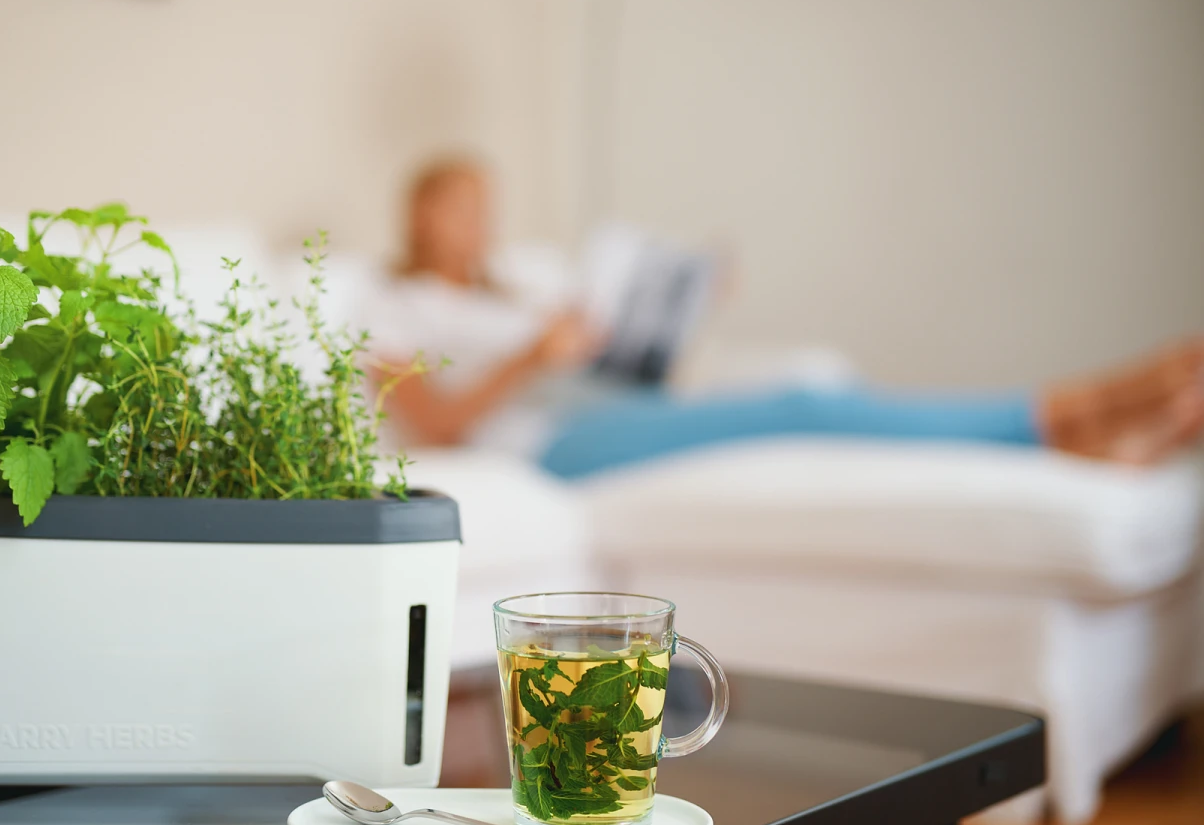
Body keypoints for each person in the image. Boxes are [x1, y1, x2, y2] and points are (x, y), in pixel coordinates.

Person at [367, 157, 1204, 479]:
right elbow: (436, 427)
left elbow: (612, 354)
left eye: (485, 203)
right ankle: (1078, 414)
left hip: (619, 402)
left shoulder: (524, 278)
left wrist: (675, 302)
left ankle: (1081, 427)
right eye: (459, 205)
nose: (478, 221)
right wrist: (532, 357)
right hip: (545, 445)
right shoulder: (393, 304)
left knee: (813, 378)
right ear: (417, 214)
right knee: (805, 403)